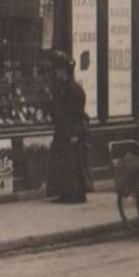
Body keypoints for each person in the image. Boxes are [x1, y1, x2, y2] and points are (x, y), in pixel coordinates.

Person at [47, 50, 93, 203]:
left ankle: (74, 194)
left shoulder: (73, 90)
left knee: (72, 164)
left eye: (59, 71)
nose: (57, 74)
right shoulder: (66, 88)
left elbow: (77, 114)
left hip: (70, 130)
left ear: (65, 72)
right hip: (64, 129)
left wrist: (75, 134)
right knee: (67, 163)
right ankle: (68, 193)